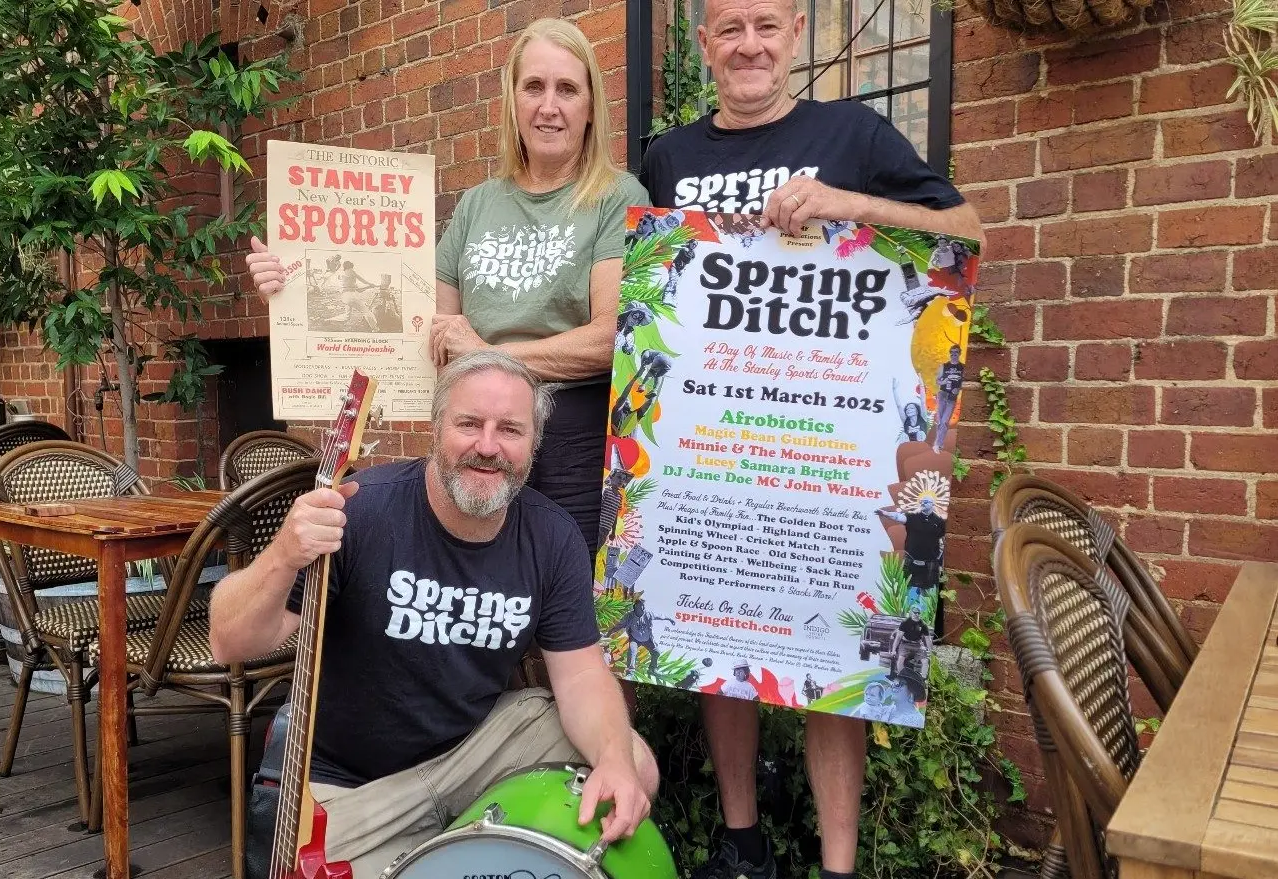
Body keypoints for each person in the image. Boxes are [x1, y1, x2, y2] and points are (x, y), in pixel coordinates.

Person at [637, 2, 984, 878]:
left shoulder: (854, 133)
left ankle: (835, 865)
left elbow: (969, 231)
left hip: (832, 447)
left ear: (795, 33)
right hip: (714, 441)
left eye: (765, 26)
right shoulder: (667, 160)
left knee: (836, 648)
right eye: (728, 29)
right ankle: (743, 844)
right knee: (714, 633)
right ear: (704, 44)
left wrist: (844, 204)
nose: (747, 45)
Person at [208, 350, 658, 879]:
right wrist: (284, 553)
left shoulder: (551, 535)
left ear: (534, 444)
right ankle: (446, 850)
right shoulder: (362, 511)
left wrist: (613, 760)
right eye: (469, 424)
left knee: (634, 767)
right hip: (357, 783)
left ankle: (467, 844)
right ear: (435, 427)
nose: (488, 446)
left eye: (510, 429)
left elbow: (580, 672)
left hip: (474, 751)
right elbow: (229, 641)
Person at [245, 18, 650, 557]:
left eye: (567, 89)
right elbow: (415, 321)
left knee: (561, 607)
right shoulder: (479, 204)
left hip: (572, 444)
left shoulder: (618, 196)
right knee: (476, 603)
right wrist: (294, 282)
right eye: (533, 87)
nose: (549, 106)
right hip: (474, 446)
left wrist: (489, 356)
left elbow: (610, 341)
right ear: (512, 100)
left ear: (591, 105)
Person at [876, 496, 947, 606]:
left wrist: (940, 559)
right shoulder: (913, 518)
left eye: (926, 502)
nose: (923, 503)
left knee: (928, 595)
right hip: (911, 561)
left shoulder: (939, 522)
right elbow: (899, 517)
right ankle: (910, 615)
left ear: (932, 505)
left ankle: (924, 618)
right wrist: (886, 514)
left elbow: (945, 540)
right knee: (909, 592)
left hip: (930, 563)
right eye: (922, 502)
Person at [890, 606, 933, 680]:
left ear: (920, 614)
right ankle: (902, 676)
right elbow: (898, 637)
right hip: (905, 644)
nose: (916, 614)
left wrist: (931, 652)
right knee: (900, 660)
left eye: (918, 613)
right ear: (911, 612)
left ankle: (923, 679)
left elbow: (928, 639)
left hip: (918, 645)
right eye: (914, 612)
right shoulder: (905, 622)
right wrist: (893, 650)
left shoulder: (923, 625)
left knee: (925, 661)